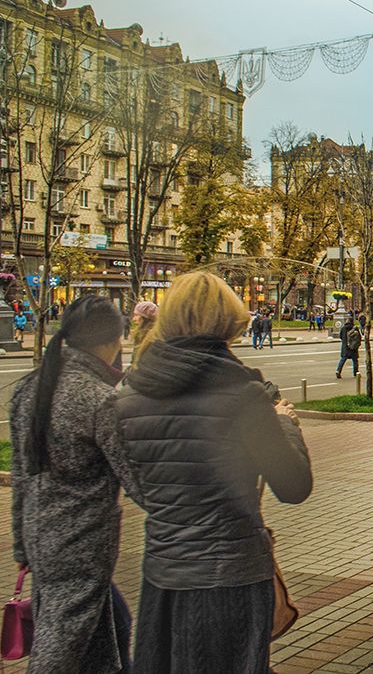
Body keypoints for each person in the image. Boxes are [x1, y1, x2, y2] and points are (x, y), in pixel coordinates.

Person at [114, 272, 311, 674]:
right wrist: (284, 422)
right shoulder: (244, 395)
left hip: (163, 573)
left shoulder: (129, 397)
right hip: (232, 573)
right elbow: (293, 486)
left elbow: (139, 486)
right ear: (228, 323)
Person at [9, 295, 142, 673]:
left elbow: (22, 474)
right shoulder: (99, 399)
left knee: (114, 627)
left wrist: (21, 543)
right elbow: (138, 481)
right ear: (115, 340)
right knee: (58, 650)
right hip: (81, 547)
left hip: (41, 539)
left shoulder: (31, 388)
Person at [130, 300, 158, 366]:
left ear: (145, 318)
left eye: (136, 315)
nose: (134, 319)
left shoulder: (152, 337)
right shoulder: (140, 335)